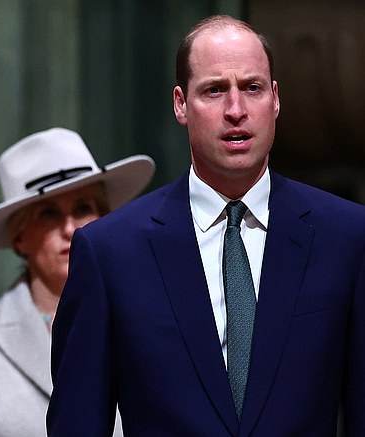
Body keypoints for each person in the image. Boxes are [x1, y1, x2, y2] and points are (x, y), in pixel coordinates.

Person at [47, 15, 365, 436]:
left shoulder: (346, 236)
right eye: (214, 90)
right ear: (181, 104)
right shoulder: (110, 252)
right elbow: (78, 423)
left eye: (251, 88)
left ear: (275, 99)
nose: (236, 110)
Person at [0, 127, 155, 436]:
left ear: (105, 219)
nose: (71, 229)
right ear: (19, 237)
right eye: (48, 214)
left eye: (83, 209)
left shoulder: (150, 324)